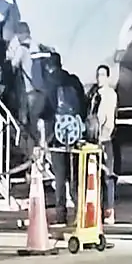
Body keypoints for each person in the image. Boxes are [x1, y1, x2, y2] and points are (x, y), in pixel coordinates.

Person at [44, 53, 86, 224]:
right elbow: (83, 105)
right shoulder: (74, 81)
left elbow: (45, 109)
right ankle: (79, 212)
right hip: (75, 135)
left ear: (48, 67)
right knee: (75, 176)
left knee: (60, 178)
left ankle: (61, 215)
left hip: (57, 137)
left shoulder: (50, 83)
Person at [6, 22, 52, 151]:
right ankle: (42, 142)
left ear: (20, 34)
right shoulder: (36, 46)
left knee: (27, 124)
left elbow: (13, 64)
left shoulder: (22, 49)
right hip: (42, 91)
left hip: (29, 91)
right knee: (37, 120)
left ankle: (32, 152)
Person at [87, 64, 119, 223]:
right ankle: (96, 209)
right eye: (98, 75)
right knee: (94, 177)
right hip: (93, 140)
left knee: (108, 176)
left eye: (102, 75)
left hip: (105, 140)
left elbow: (109, 119)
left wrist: (103, 135)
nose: (100, 78)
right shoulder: (94, 94)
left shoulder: (110, 95)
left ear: (107, 77)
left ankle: (109, 210)